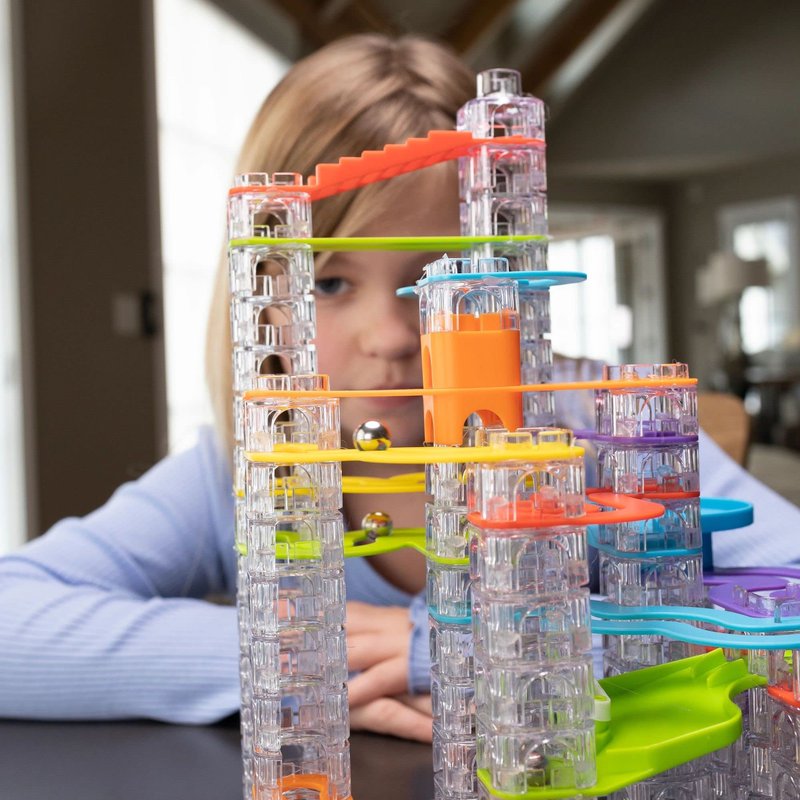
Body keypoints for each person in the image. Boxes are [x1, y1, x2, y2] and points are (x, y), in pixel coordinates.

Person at [2, 31, 800, 742]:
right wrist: (305, 652)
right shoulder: (243, 473)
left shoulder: (602, 428)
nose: (388, 337)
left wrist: (459, 648)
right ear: (262, 294)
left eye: (435, 278)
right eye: (330, 282)